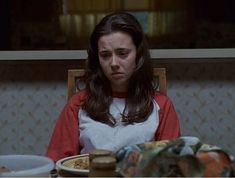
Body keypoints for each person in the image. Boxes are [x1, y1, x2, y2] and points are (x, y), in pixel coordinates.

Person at [46, 11, 180, 161]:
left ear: (138, 54)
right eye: (105, 55)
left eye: (122, 53)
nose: (114, 63)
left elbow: (171, 164)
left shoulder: (161, 105)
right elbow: (58, 163)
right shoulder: (78, 104)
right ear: (97, 59)